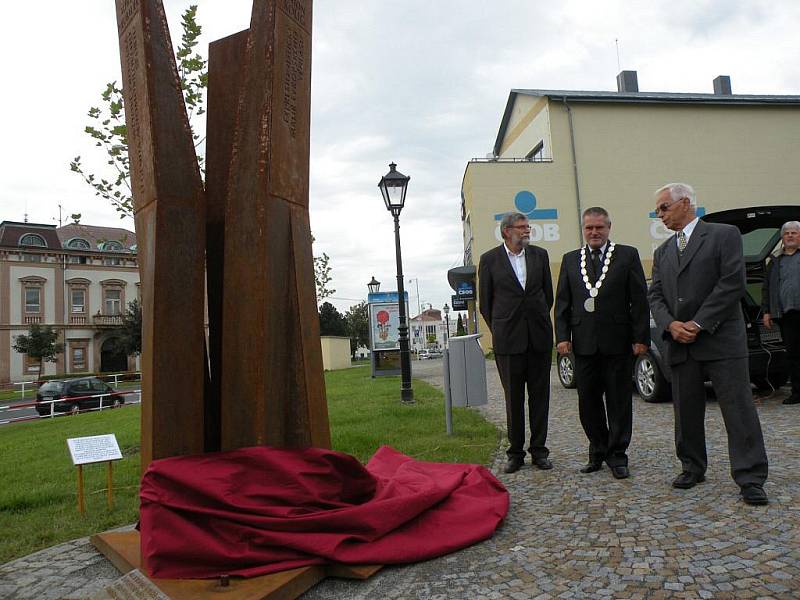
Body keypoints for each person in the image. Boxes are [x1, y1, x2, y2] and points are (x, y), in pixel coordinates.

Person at [648, 182, 769, 505]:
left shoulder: (723, 235)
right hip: (680, 342)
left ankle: (750, 476)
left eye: (664, 207)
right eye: (658, 210)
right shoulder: (662, 252)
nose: (660, 215)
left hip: (720, 339)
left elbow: (731, 283)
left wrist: (698, 323)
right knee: (686, 411)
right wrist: (671, 324)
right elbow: (656, 295)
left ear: (685, 203)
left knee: (738, 409)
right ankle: (692, 466)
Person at [555, 207, 650, 479]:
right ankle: (597, 450)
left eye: (599, 227)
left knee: (619, 401)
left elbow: (639, 300)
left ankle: (618, 455)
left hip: (618, 343)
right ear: (583, 230)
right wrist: (562, 337)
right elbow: (563, 302)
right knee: (588, 402)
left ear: (609, 227)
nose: (594, 232)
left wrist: (640, 338)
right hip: (584, 345)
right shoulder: (571, 260)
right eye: (589, 228)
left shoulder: (627, 255)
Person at [479, 212, 554, 473]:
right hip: (508, 341)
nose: (526, 231)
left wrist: (537, 321)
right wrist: (501, 328)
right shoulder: (489, 260)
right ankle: (515, 453)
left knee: (540, 398)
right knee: (513, 399)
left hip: (539, 339)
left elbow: (548, 296)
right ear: (506, 232)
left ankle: (539, 451)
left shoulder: (540, 256)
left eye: (527, 227)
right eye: (521, 227)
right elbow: (485, 304)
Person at [762, 221, 800, 405]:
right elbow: (767, 287)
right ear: (782, 238)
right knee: (793, 354)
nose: (791, 236)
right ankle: (797, 392)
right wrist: (767, 311)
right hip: (787, 315)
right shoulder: (775, 261)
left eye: (794, 233)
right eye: (787, 234)